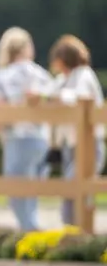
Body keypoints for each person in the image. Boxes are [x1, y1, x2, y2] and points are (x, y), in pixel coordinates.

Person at [0, 27, 54, 231]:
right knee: (31, 194)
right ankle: (32, 235)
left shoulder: (2, 76)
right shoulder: (40, 74)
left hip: (18, 138)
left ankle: (31, 238)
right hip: (41, 139)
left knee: (17, 194)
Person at [44, 34, 105, 226]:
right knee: (71, 192)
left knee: (73, 190)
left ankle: (76, 232)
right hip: (71, 145)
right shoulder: (64, 79)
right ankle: (73, 231)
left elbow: (81, 98)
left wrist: (58, 97)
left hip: (89, 144)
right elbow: (48, 93)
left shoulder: (84, 75)